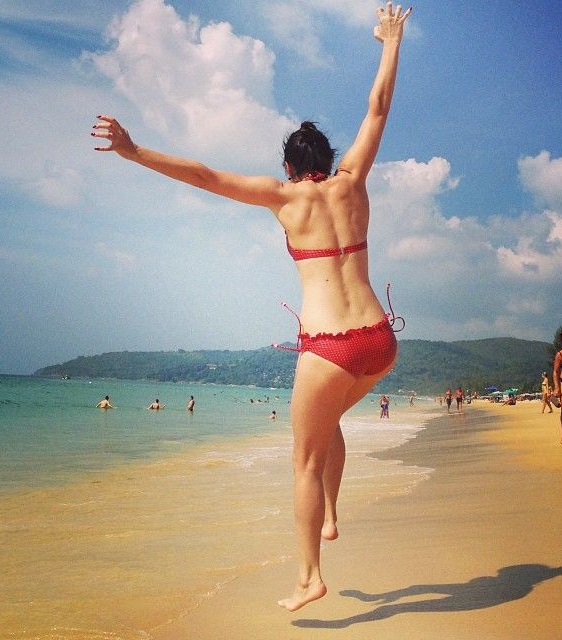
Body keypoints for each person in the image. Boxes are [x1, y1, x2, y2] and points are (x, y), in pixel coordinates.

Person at [92, 2, 411, 611]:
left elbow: (205, 176)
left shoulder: (283, 196)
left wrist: (134, 152)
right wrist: (391, 41)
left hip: (330, 347)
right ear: (328, 159)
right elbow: (378, 109)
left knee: (303, 462)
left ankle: (310, 577)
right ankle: (332, 516)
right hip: (379, 339)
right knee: (328, 425)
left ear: (289, 166)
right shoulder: (353, 181)